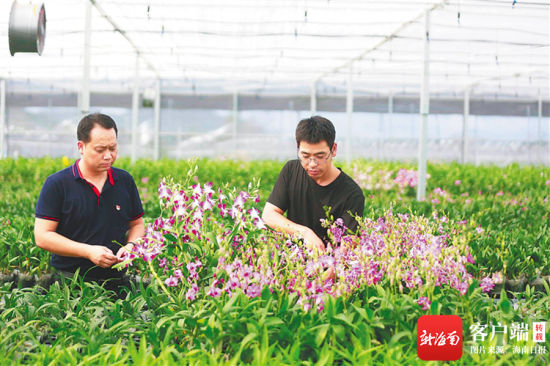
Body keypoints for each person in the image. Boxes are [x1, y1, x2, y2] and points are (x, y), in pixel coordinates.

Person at [34, 113, 144, 290]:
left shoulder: (124, 181)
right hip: (69, 285)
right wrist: (88, 251)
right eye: (100, 150)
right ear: (81, 146)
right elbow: (42, 236)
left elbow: (137, 224)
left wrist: (131, 246)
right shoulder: (58, 184)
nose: (108, 156)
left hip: (117, 283)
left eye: (113, 148)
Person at [262, 115, 365, 252]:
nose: (312, 164)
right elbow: (269, 214)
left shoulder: (352, 194)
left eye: (320, 156)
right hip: (293, 261)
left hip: (330, 266)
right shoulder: (291, 171)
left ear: (333, 150)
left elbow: (347, 249)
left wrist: (328, 271)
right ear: (298, 149)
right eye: (305, 156)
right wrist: (304, 233)